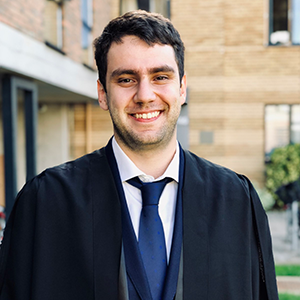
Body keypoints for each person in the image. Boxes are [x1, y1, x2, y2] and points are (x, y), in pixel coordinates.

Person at [0, 10, 278, 300]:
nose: (145, 95)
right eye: (126, 80)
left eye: (160, 76)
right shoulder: (46, 202)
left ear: (182, 88)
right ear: (102, 93)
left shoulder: (236, 200)